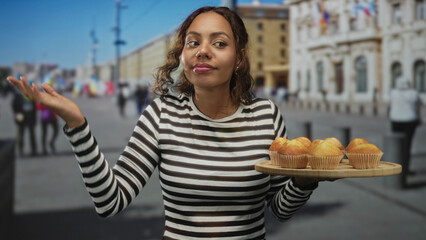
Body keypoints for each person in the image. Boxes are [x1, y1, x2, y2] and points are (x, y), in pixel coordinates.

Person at [8, 6, 332, 239]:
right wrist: (76, 123)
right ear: (183, 55)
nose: (203, 51)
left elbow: (279, 208)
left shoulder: (266, 115)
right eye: (193, 42)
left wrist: (304, 182)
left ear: (240, 58)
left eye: (219, 43)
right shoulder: (161, 113)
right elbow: (110, 201)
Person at [389, 78, 422, 184]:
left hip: (395, 120)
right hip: (410, 120)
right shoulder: (414, 93)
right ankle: (406, 169)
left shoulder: (393, 93)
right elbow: (419, 105)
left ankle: (396, 168)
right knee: (407, 145)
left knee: (396, 145)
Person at [11, 86, 37, 156]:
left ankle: (34, 150)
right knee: (20, 133)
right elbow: (14, 105)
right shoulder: (17, 94)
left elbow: (34, 105)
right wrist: (16, 114)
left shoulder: (31, 93)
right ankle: (20, 150)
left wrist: (34, 117)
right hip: (21, 115)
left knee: (32, 134)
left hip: (30, 116)